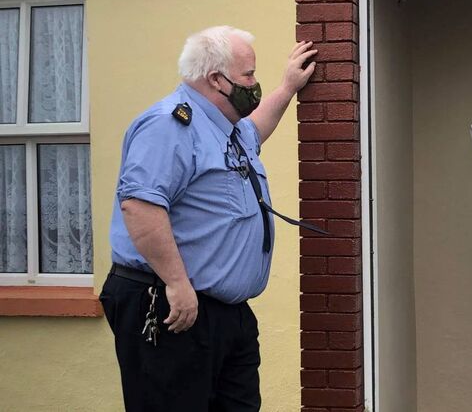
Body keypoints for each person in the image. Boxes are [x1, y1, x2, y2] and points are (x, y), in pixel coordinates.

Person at [100, 25, 317, 411]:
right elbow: (140, 205)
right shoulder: (169, 124)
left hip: (225, 313)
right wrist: (177, 283)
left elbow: (256, 130)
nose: (254, 84)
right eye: (248, 75)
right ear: (217, 79)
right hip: (174, 305)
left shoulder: (226, 128)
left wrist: (288, 88)